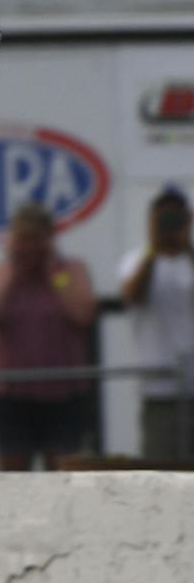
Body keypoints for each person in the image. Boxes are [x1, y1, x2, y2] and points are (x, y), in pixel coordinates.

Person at [0, 203, 95, 469]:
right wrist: (13, 274)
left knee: (64, 473)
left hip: (63, 395)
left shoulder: (70, 271)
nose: (27, 247)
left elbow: (83, 313)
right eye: (21, 239)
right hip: (13, 396)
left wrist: (54, 274)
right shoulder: (1, 274)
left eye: (34, 239)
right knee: (12, 479)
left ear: (48, 240)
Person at [119, 186, 194, 461]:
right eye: (164, 218)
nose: (169, 224)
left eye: (176, 218)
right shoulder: (135, 260)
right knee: (160, 470)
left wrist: (187, 245)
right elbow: (133, 295)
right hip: (159, 390)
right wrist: (154, 248)